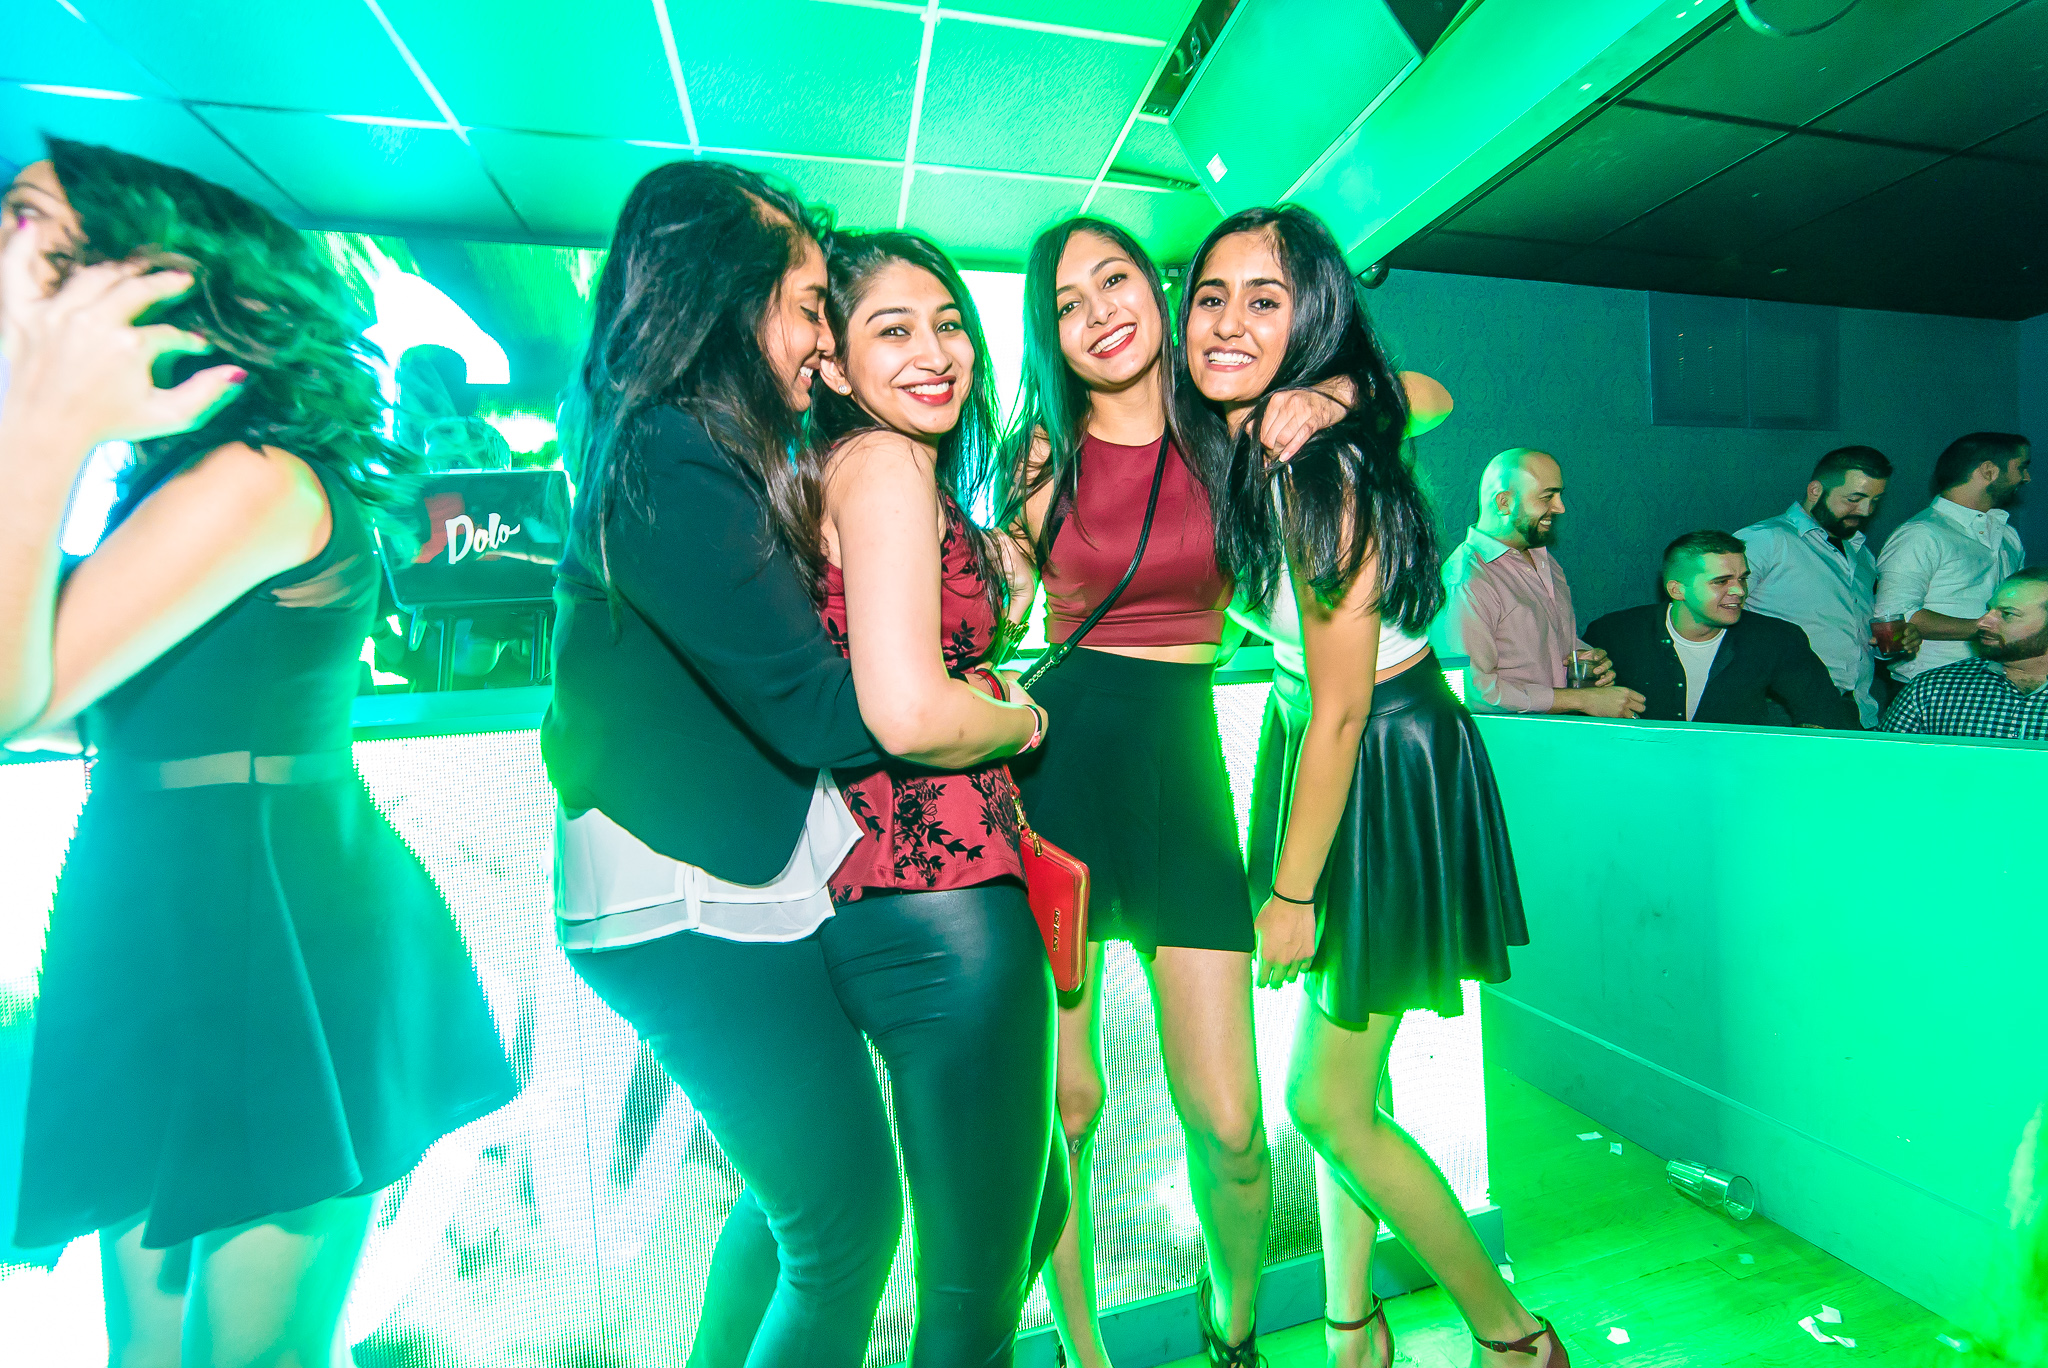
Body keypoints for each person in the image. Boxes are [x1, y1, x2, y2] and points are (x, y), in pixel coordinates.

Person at [0, 142, 515, 1365]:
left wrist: (46, 415)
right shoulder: (178, 479)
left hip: (266, 915)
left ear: (164, 277)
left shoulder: (258, 477)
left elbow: (17, 701)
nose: (10, 256)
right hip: (167, 894)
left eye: (36, 228)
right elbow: (72, 703)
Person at [543, 163, 1045, 1368]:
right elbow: (839, 710)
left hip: (756, 878)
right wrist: (1003, 712)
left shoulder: (711, 446)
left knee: (807, 1222)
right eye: (819, 307)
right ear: (729, 294)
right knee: (842, 1231)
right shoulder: (667, 450)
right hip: (684, 890)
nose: (820, 338)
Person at [1187, 203, 1564, 1368]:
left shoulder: (1318, 473)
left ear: (1310, 317)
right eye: (1211, 296)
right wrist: (1346, 392)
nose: (1230, 321)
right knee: (1354, 1075)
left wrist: (1290, 895)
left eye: (1265, 299)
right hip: (1321, 742)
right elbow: (1426, 396)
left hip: (1379, 756)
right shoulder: (1238, 441)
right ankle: (1352, 1326)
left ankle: (1511, 1337)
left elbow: (1344, 705)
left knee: (1323, 1100)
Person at [999, 215, 1360, 1368]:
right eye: (1065, 303)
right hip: (1053, 774)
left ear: (1156, 293)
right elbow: (1001, 601)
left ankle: (1229, 1323)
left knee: (1233, 1126)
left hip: (1181, 771)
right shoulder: (1039, 452)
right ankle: (1084, 1351)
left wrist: (1332, 395)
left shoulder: (1231, 424)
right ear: (1049, 333)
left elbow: (1429, 399)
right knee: (1066, 1108)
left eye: (1112, 280)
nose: (1096, 311)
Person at [806, 229, 1065, 1363]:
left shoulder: (872, 468)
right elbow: (908, 712)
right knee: (971, 1297)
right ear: (832, 361)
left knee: (1032, 1210)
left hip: (894, 891)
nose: (934, 351)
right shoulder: (885, 463)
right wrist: (1019, 719)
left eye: (949, 323)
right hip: (941, 897)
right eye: (892, 330)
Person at [1432, 447, 1641, 718]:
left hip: (1554, 736)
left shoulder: (1545, 560)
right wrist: (1581, 699)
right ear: (1504, 502)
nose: (1560, 507)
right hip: (1507, 742)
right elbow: (1468, 691)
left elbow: (1542, 648)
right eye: (1547, 497)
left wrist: (1584, 658)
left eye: (1559, 495)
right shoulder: (1465, 579)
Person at [1585, 531, 1857, 728]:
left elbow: (1824, 712)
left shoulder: (1776, 638)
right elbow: (1579, 711)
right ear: (1677, 590)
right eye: (1721, 581)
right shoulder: (1615, 633)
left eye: (1743, 578)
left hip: (1735, 773)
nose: (1739, 591)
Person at [1737, 445, 1913, 727]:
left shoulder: (1861, 554)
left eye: (1875, 501)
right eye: (1854, 499)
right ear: (1815, 490)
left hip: (1857, 709)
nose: (1866, 510)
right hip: (1785, 710)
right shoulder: (1765, 540)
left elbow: (1854, 636)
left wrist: (1893, 643)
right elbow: (1714, 618)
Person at [1876, 432, 2030, 684]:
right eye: (2021, 467)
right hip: (1929, 686)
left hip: (1994, 681)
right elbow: (1892, 618)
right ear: (1989, 471)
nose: (2026, 477)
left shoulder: (2007, 535)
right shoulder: (1921, 533)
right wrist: (1990, 627)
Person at [1879, 567, 2048, 740]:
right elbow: (1881, 755)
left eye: (2007, 614)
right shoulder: (1933, 688)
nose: (1982, 622)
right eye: (1988, 610)